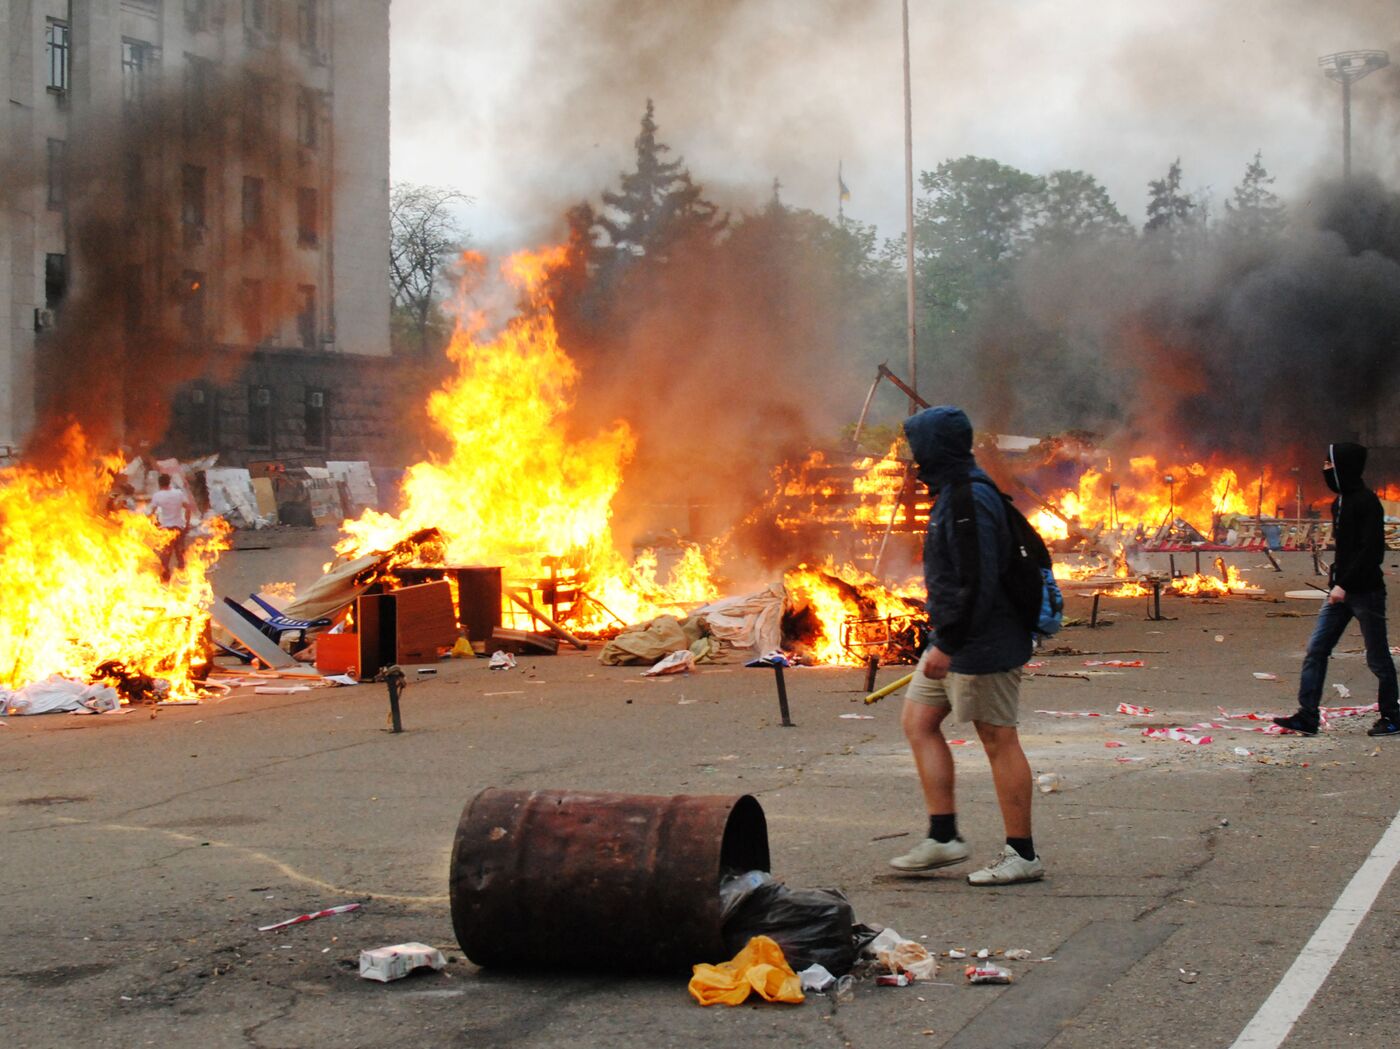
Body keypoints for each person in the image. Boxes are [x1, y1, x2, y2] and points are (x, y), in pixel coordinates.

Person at [888, 406, 1042, 885]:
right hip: (955, 635)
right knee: (918, 721)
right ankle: (943, 837)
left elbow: (978, 579)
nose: (912, 459)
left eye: (917, 448)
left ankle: (1023, 855)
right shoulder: (953, 491)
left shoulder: (967, 499)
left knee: (998, 739)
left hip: (981, 641)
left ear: (935, 448)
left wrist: (949, 643)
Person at [1275, 443, 1399, 737]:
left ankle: (1392, 716)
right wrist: (1336, 579)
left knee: (1378, 657)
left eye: (1329, 465)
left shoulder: (1367, 502)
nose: (1325, 470)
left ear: (1345, 466)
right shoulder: (1339, 503)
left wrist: (1344, 584)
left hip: (1366, 593)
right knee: (1316, 650)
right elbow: (1346, 551)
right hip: (1340, 592)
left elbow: (1372, 552)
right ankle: (1308, 716)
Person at [149, 473, 194, 582]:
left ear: (159, 484)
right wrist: (187, 523)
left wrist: (152, 525)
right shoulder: (178, 493)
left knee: (165, 555)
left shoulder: (158, 496)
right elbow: (188, 508)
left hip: (166, 529)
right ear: (169, 482)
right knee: (180, 553)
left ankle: (165, 577)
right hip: (179, 527)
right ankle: (182, 576)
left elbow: (151, 513)